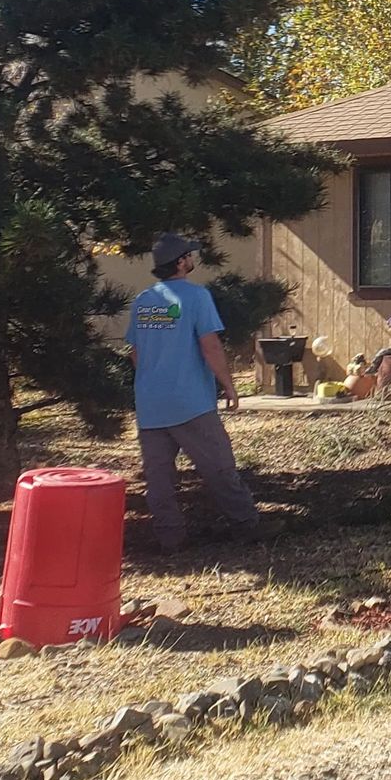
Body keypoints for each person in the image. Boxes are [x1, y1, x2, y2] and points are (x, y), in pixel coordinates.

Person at [125, 234, 263, 554]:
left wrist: (153, 378)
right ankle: (246, 526)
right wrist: (228, 385)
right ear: (180, 262)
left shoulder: (143, 300)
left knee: (159, 478)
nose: (192, 259)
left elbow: (135, 353)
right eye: (189, 255)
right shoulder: (196, 297)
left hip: (150, 405)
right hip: (190, 403)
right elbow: (210, 345)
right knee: (219, 467)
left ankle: (170, 538)